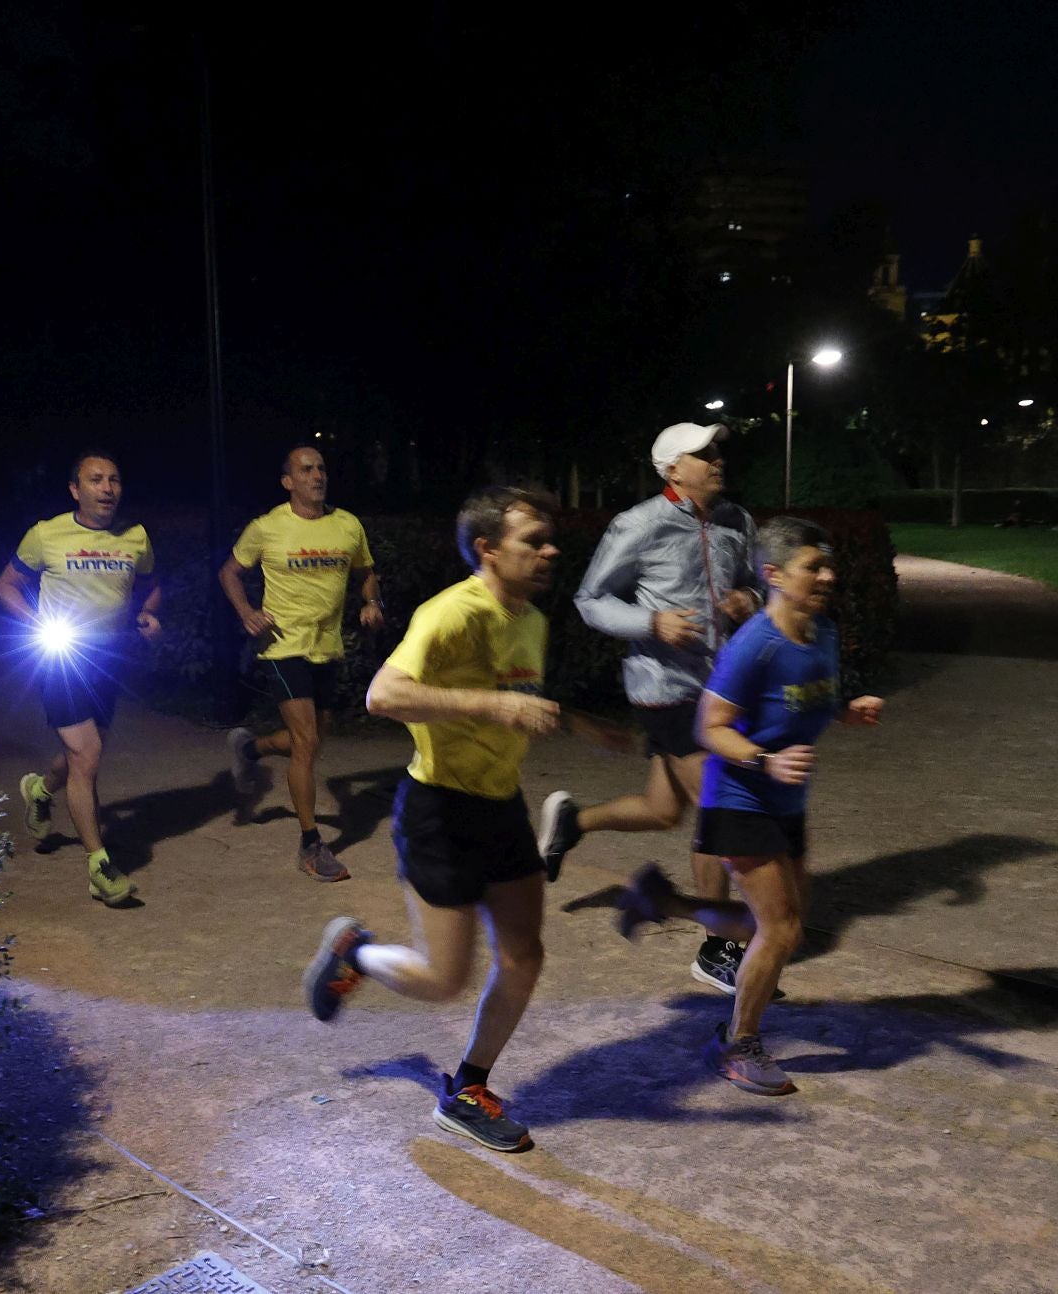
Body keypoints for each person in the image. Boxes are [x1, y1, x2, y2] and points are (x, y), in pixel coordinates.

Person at [302, 486, 563, 1153]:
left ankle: (469, 1088)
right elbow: (383, 694)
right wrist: (493, 707)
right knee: (445, 979)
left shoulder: (531, 618)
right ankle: (354, 951)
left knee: (524, 955)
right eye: (532, 540)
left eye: (547, 539)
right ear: (488, 549)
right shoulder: (450, 614)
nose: (548, 550)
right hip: (440, 812)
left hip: (501, 806)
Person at [614, 515, 884, 1096]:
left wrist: (844, 711)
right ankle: (737, 1044)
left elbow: (809, 699)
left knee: (781, 922)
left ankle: (659, 901)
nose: (828, 576)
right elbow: (710, 728)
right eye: (814, 566)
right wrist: (764, 760)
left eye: (829, 564)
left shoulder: (823, 634)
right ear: (775, 575)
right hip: (739, 798)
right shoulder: (753, 645)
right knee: (781, 929)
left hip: (786, 802)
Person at [536, 421, 764, 994]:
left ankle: (573, 822)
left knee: (666, 811)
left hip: (720, 686)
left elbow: (759, 583)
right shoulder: (638, 524)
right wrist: (650, 622)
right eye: (703, 453)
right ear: (672, 469)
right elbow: (590, 599)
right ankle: (718, 947)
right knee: (719, 806)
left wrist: (751, 598)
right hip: (665, 686)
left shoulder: (738, 520)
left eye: (717, 450)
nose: (717, 460)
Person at [0, 450, 161, 908]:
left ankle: (40, 790)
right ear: (75, 490)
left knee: (81, 753)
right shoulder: (46, 534)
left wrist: (146, 612)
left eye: (114, 479)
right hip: (61, 657)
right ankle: (99, 866)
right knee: (88, 754)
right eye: (95, 480)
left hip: (109, 659)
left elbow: (152, 582)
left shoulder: (135, 537)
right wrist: (34, 624)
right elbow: (3, 585)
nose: (107, 488)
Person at [219, 445, 383, 880]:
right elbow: (229, 572)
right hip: (282, 646)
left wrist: (371, 602)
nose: (317, 476)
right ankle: (311, 846)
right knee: (307, 741)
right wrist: (247, 613)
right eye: (306, 470)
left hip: (326, 647)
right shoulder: (267, 527)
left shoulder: (347, 525)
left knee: (307, 742)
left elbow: (366, 573)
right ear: (288, 482)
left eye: (322, 468)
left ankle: (249, 748)